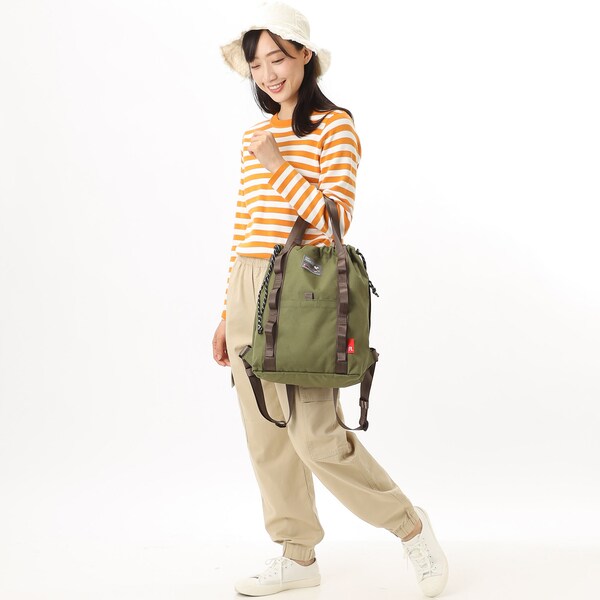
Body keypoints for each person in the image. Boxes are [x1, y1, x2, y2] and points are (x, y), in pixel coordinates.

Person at [213, 2, 449, 596]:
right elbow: (244, 228)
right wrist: (225, 312)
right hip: (249, 287)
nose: (268, 74)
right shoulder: (253, 136)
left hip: (302, 287)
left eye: (277, 58)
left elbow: (333, 219)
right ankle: (297, 556)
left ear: (304, 56)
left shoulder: (334, 126)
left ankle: (410, 526)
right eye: (257, 65)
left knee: (317, 437)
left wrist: (277, 164)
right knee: (267, 437)